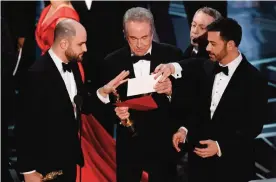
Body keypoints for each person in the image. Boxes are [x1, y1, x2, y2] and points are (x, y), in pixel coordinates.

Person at [155, 18, 267, 182]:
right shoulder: (208, 67)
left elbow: (253, 127)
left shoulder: (254, 80)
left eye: (213, 44)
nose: (207, 48)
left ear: (230, 45)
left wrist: (220, 146)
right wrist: (184, 130)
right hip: (199, 167)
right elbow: (199, 108)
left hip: (233, 167)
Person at [16, 19, 129, 182]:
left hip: (69, 163)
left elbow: (81, 104)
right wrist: (28, 171)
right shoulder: (36, 75)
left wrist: (103, 92)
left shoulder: (73, 65)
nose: (85, 48)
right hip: (45, 167)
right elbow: (25, 127)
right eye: (80, 44)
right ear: (63, 44)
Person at [99, 7, 183, 182]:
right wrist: (117, 114)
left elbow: (187, 102)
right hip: (128, 148)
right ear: (124, 34)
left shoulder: (172, 55)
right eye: (133, 38)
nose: (139, 44)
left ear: (152, 32)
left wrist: (170, 91)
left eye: (144, 37)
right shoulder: (111, 62)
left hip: (163, 145)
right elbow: (103, 108)